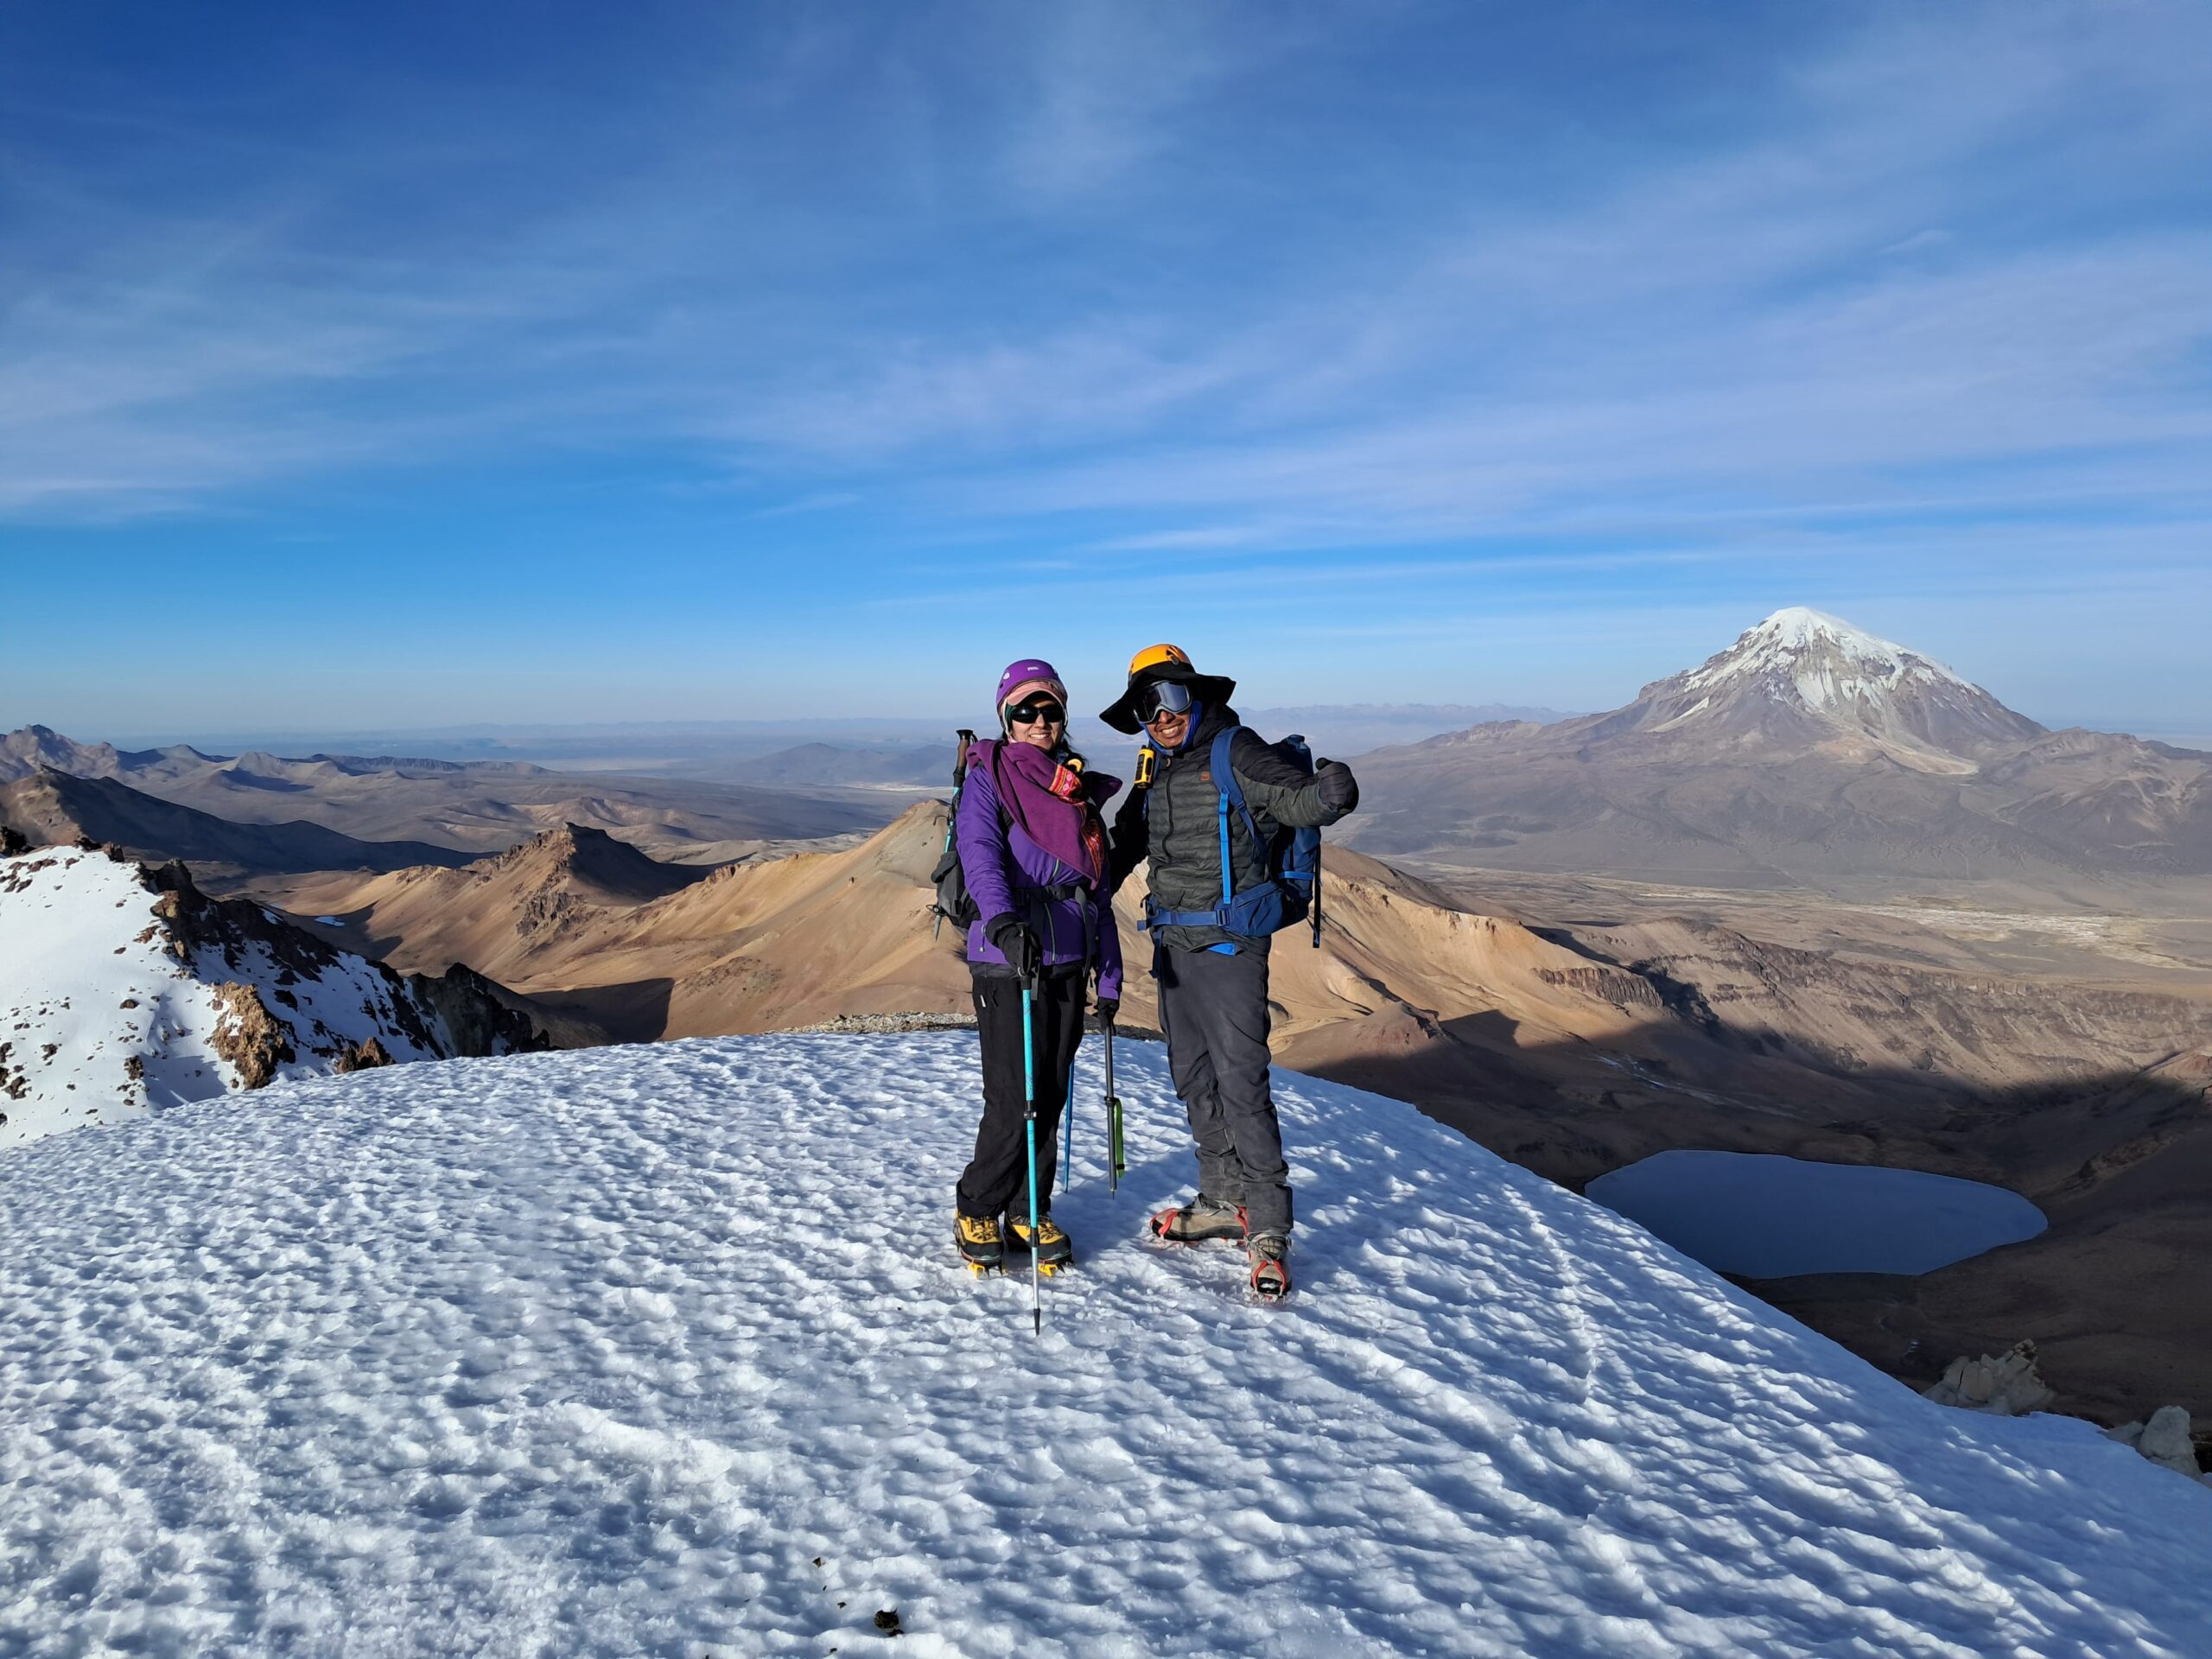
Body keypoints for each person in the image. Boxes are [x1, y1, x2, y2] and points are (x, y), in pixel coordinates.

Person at [1101, 644, 1358, 1299]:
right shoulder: (1154, 768)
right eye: (1146, 705)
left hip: (1230, 945)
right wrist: (1079, 890)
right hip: (1173, 944)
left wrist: (1329, 798)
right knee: (1192, 1075)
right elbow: (1126, 842)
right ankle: (1221, 1198)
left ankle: (1268, 1228)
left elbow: (1293, 798)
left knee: (1242, 1081)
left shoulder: (1234, 749)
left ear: (1198, 696)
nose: (1161, 715)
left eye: (1173, 698)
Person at [952, 658, 1123, 1275]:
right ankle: (977, 1203)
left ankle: (1031, 1207)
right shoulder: (989, 778)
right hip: (1007, 959)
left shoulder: (1073, 789)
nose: (1040, 721)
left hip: (1067, 955)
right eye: (1026, 710)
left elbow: (1096, 891)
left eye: (1051, 709)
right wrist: (1002, 924)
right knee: (1013, 1096)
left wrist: (1108, 974)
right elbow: (980, 857)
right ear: (1007, 717)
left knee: (1050, 1092)